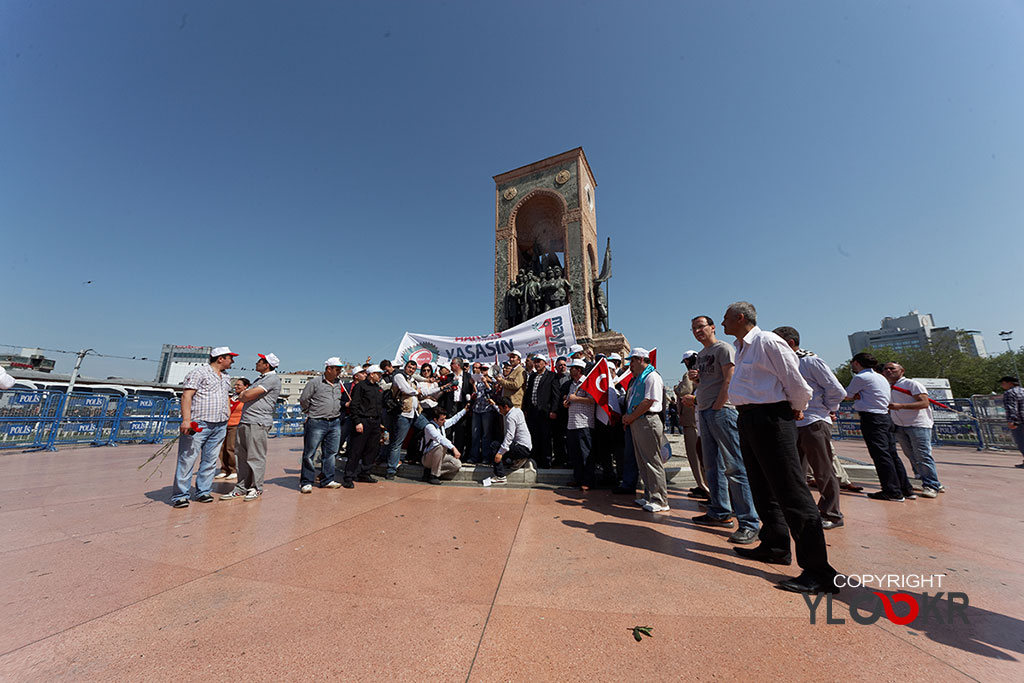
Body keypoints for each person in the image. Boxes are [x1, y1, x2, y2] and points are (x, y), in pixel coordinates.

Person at [723, 302, 839, 594]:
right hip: (750, 418)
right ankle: (775, 545)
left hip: (772, 418)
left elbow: (796, 383)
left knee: (792, 491)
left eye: (725, 318)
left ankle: (819, 570)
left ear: (740, 317)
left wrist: (796, 409)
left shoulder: (768, 341)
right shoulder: (742, 347)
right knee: (762, 486)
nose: (722, 323)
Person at [684, 315, 760, 542]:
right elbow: (708, 382)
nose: (697, 331)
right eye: (694, 329)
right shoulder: (703, 355)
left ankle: (749, 521)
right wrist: (695, 380)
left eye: (701, 326)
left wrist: (718, 405)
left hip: (722, 410)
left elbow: (730, 379)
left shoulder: (724, 349)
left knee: (735, 466)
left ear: (712, 327)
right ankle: (719, 511)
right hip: (704, 411)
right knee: (711, 465)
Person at [773, 327, 846, 530]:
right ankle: (801, 511)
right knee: (795, 471)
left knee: (823, 470)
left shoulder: (810, 361)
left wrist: (826, 409)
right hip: (792, 423)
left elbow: (837, 390)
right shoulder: (783, 364)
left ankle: (832, 512)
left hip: (813, 422)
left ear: (789, 343)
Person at [172, 346, 236, 508]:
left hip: (219, 423)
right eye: (230, 358)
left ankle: (203, 491)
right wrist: (186, 420)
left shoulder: (226, 377)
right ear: (220, 358)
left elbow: (227, 397)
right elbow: (187, 395)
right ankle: (181, 494)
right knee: (187, 458)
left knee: (210, 460)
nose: (232, 361)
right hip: (199, 422)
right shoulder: (198, 373)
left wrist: (227, 413)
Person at [846, 353, 915, 501]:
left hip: (872, 419)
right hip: (884, 417)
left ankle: (891, 491)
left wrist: (855, 395)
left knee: (880, 455)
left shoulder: (861, 378)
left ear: (856, 363)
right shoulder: (880, 377)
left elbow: (846, 394)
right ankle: (905, 489)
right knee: (891, 454)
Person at [221, 353, 282, 502]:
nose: (256, 363)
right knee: (241, 456)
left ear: (266, 365)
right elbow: (244, 395)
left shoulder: (272, 379)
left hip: (258, 422)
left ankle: (256, 487)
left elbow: (247, 396)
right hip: (246, 420)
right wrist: (244, 394)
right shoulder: (259, 379)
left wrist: (243, 394)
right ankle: (241, 487)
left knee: (255, 456)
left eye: (259, 361)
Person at [883, 362, 945, 497]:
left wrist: (901, 406)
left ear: (901, 371)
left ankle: (931, 484)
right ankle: (925, 479)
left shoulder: (912, 384)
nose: (888, 371)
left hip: (918, 424)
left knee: (922, 455)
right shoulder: (887, 387)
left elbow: (924, 402)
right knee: (911, 455)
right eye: (886, 369)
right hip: (899, 425)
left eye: (892, 368)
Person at [621, 348, 669, 513]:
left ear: (641, 359)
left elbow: (649, 401)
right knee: (642, 461)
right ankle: (649, 495)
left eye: (632, 361)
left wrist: (631, 416)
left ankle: (660, 499)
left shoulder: (652, 377)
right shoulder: (637, 380)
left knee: (652, 461)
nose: (630, 365)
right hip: (638, 421)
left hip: (647, 420)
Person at [297, 357, 345, 493]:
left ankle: (327, 479)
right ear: (328, 369)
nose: (339, 372)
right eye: (337, 369)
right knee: (309, 453)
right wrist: (309, 412)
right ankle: (306, 481)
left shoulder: (338, 383)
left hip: (335, 422)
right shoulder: (315, 382)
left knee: (331, 453)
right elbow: (304, 399)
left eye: (340, 369)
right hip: (317, 421)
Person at [343, 364, 385, 487]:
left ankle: (365, 473)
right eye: (378, 374)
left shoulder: (378, 388)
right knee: (356, 450)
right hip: (363, 420)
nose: (380, 376)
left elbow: (379, 406)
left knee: (372, 449)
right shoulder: (360, 387)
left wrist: (381, 423)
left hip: (375, 422)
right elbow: (354, 405)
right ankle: (348, 476)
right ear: (371, 374)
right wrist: (357, 422)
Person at [386, 360, 430, 479]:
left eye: (413, 368)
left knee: (430, 428)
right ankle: (391, 469)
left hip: (415, 413)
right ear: (405, 367)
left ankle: (423, 460)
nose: (411, 370)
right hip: (404, 413)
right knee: (397, 442)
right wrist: (417, 392)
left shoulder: (412, 380)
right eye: (409, 367)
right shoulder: (399, 376)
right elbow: (405, 389)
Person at [675, 351, 708, 499]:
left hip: (691, 420)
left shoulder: (689, 374)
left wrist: (677, 387)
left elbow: (684, 391)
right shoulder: (704, 371)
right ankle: (703, 485)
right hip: (696, 419)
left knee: (695, 456)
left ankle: (704, 486)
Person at [482, 396, 533, 486]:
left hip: (520, 448)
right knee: (501, 445)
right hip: (526, 447)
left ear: (506, 407)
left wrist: (500, 453)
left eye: (500, 408)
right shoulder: (517, 411)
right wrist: (494, 404)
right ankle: (517, 459)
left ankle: (500, 476)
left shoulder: (510, 417)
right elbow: (501, 411)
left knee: (495, 446)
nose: (500, 411)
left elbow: (510, 436)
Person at [563, 359, 597, 488]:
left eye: (572, 368)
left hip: (584, 423)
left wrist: (575, 398)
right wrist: (567, 402)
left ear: (578, 370)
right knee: (575, 454)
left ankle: (588, 481)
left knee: (585, 453)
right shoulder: (572, 384)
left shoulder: (587, 383)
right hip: (572, 423)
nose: (570, 370)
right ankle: (578, 478)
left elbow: (593, 400)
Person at [524, 355, 559, 468]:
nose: (537, 364)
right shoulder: (533, 376)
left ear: (544, 363)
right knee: (534, 436)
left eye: (539, 362)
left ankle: (546, 460)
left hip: (545, 412)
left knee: (545, 436)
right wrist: (526, 409)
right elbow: (528, 393)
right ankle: (535, 459)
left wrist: (553, 410)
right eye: (535, 362)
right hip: (533, 411)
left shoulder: (552, 376)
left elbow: (555, 395)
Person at [419, 403, 463, 484]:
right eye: (442, 419)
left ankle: (430, 472)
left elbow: (454, 420)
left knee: (457, 464)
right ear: (435, 419)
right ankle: (433, 475)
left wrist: (465, 410)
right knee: (440, 446)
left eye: (444, 419)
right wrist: (454, 448)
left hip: (439, 456)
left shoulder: (442, 425)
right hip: (428, 457)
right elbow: (440, 438)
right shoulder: (429, 427)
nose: (444, 421)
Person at [215, 377, 249, 481]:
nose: (236, 387)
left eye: (239, 385)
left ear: (245, 387)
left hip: (236, 425)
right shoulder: (232, 397)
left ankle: (233, 470)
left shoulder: (246, 398)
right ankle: (224, 469)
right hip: (225, 424)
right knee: (222, 448)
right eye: (236, 385)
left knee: (231, 448)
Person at [999, 376, 1024, 467]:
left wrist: (1012, 420)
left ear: (1010, 383)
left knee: (1021, 440)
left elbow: (1011, 407)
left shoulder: (1009, 393)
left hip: (1019, 421)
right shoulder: (1022, 391)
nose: (1002, 385)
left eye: (1003, 383)